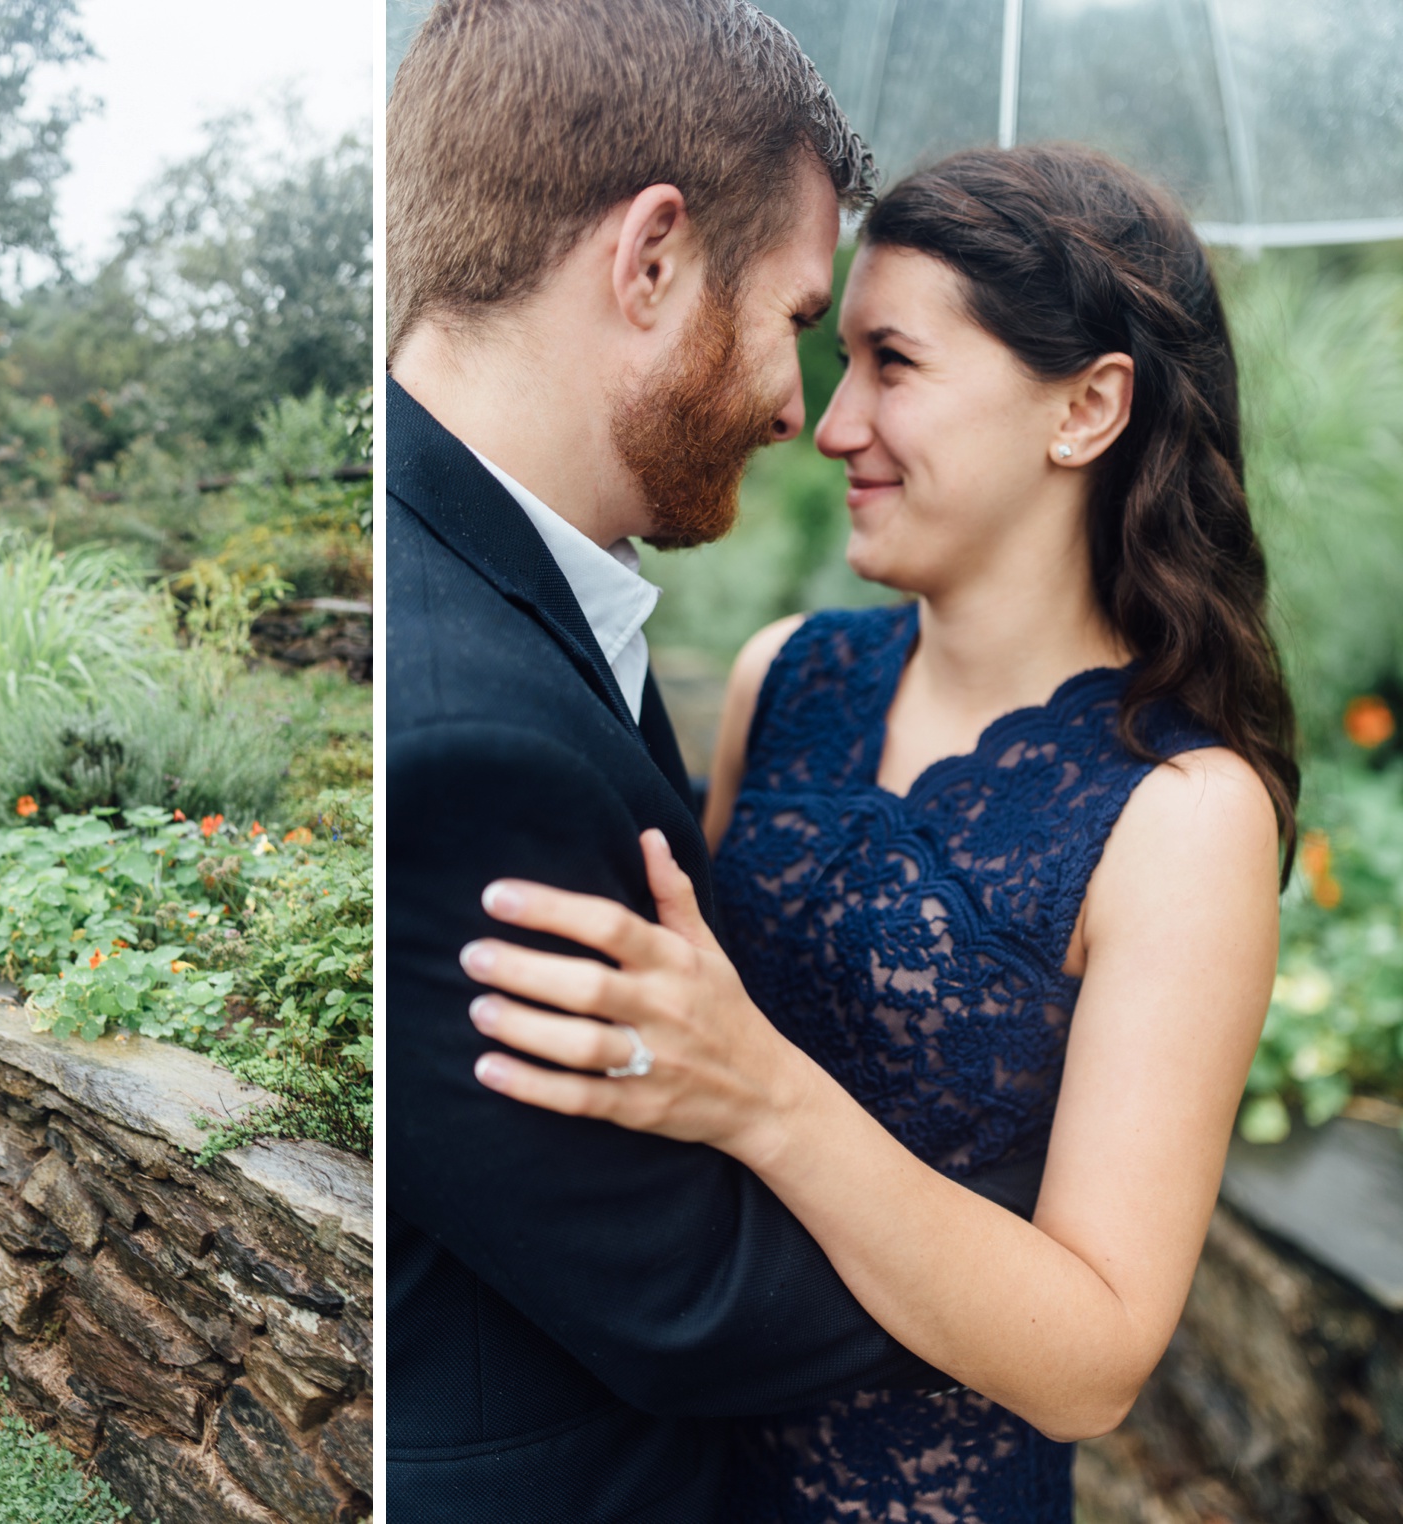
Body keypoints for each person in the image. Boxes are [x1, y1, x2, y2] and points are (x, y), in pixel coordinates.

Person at [459, 145, 1292, 1521]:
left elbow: (1094, 1365)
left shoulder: (1183, 816)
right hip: (667, 1476)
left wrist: (761, 1094)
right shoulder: (784, 680)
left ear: (1086, 408)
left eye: (893, 363)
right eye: (837, 356)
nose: (834, 423)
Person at [387, 3, 1050, 1517]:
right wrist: (1053, 1244)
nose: (796, 408)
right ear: (653, 259)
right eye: (800, 321)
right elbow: (683, 1293)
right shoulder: (462, 734)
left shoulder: (503, 581)